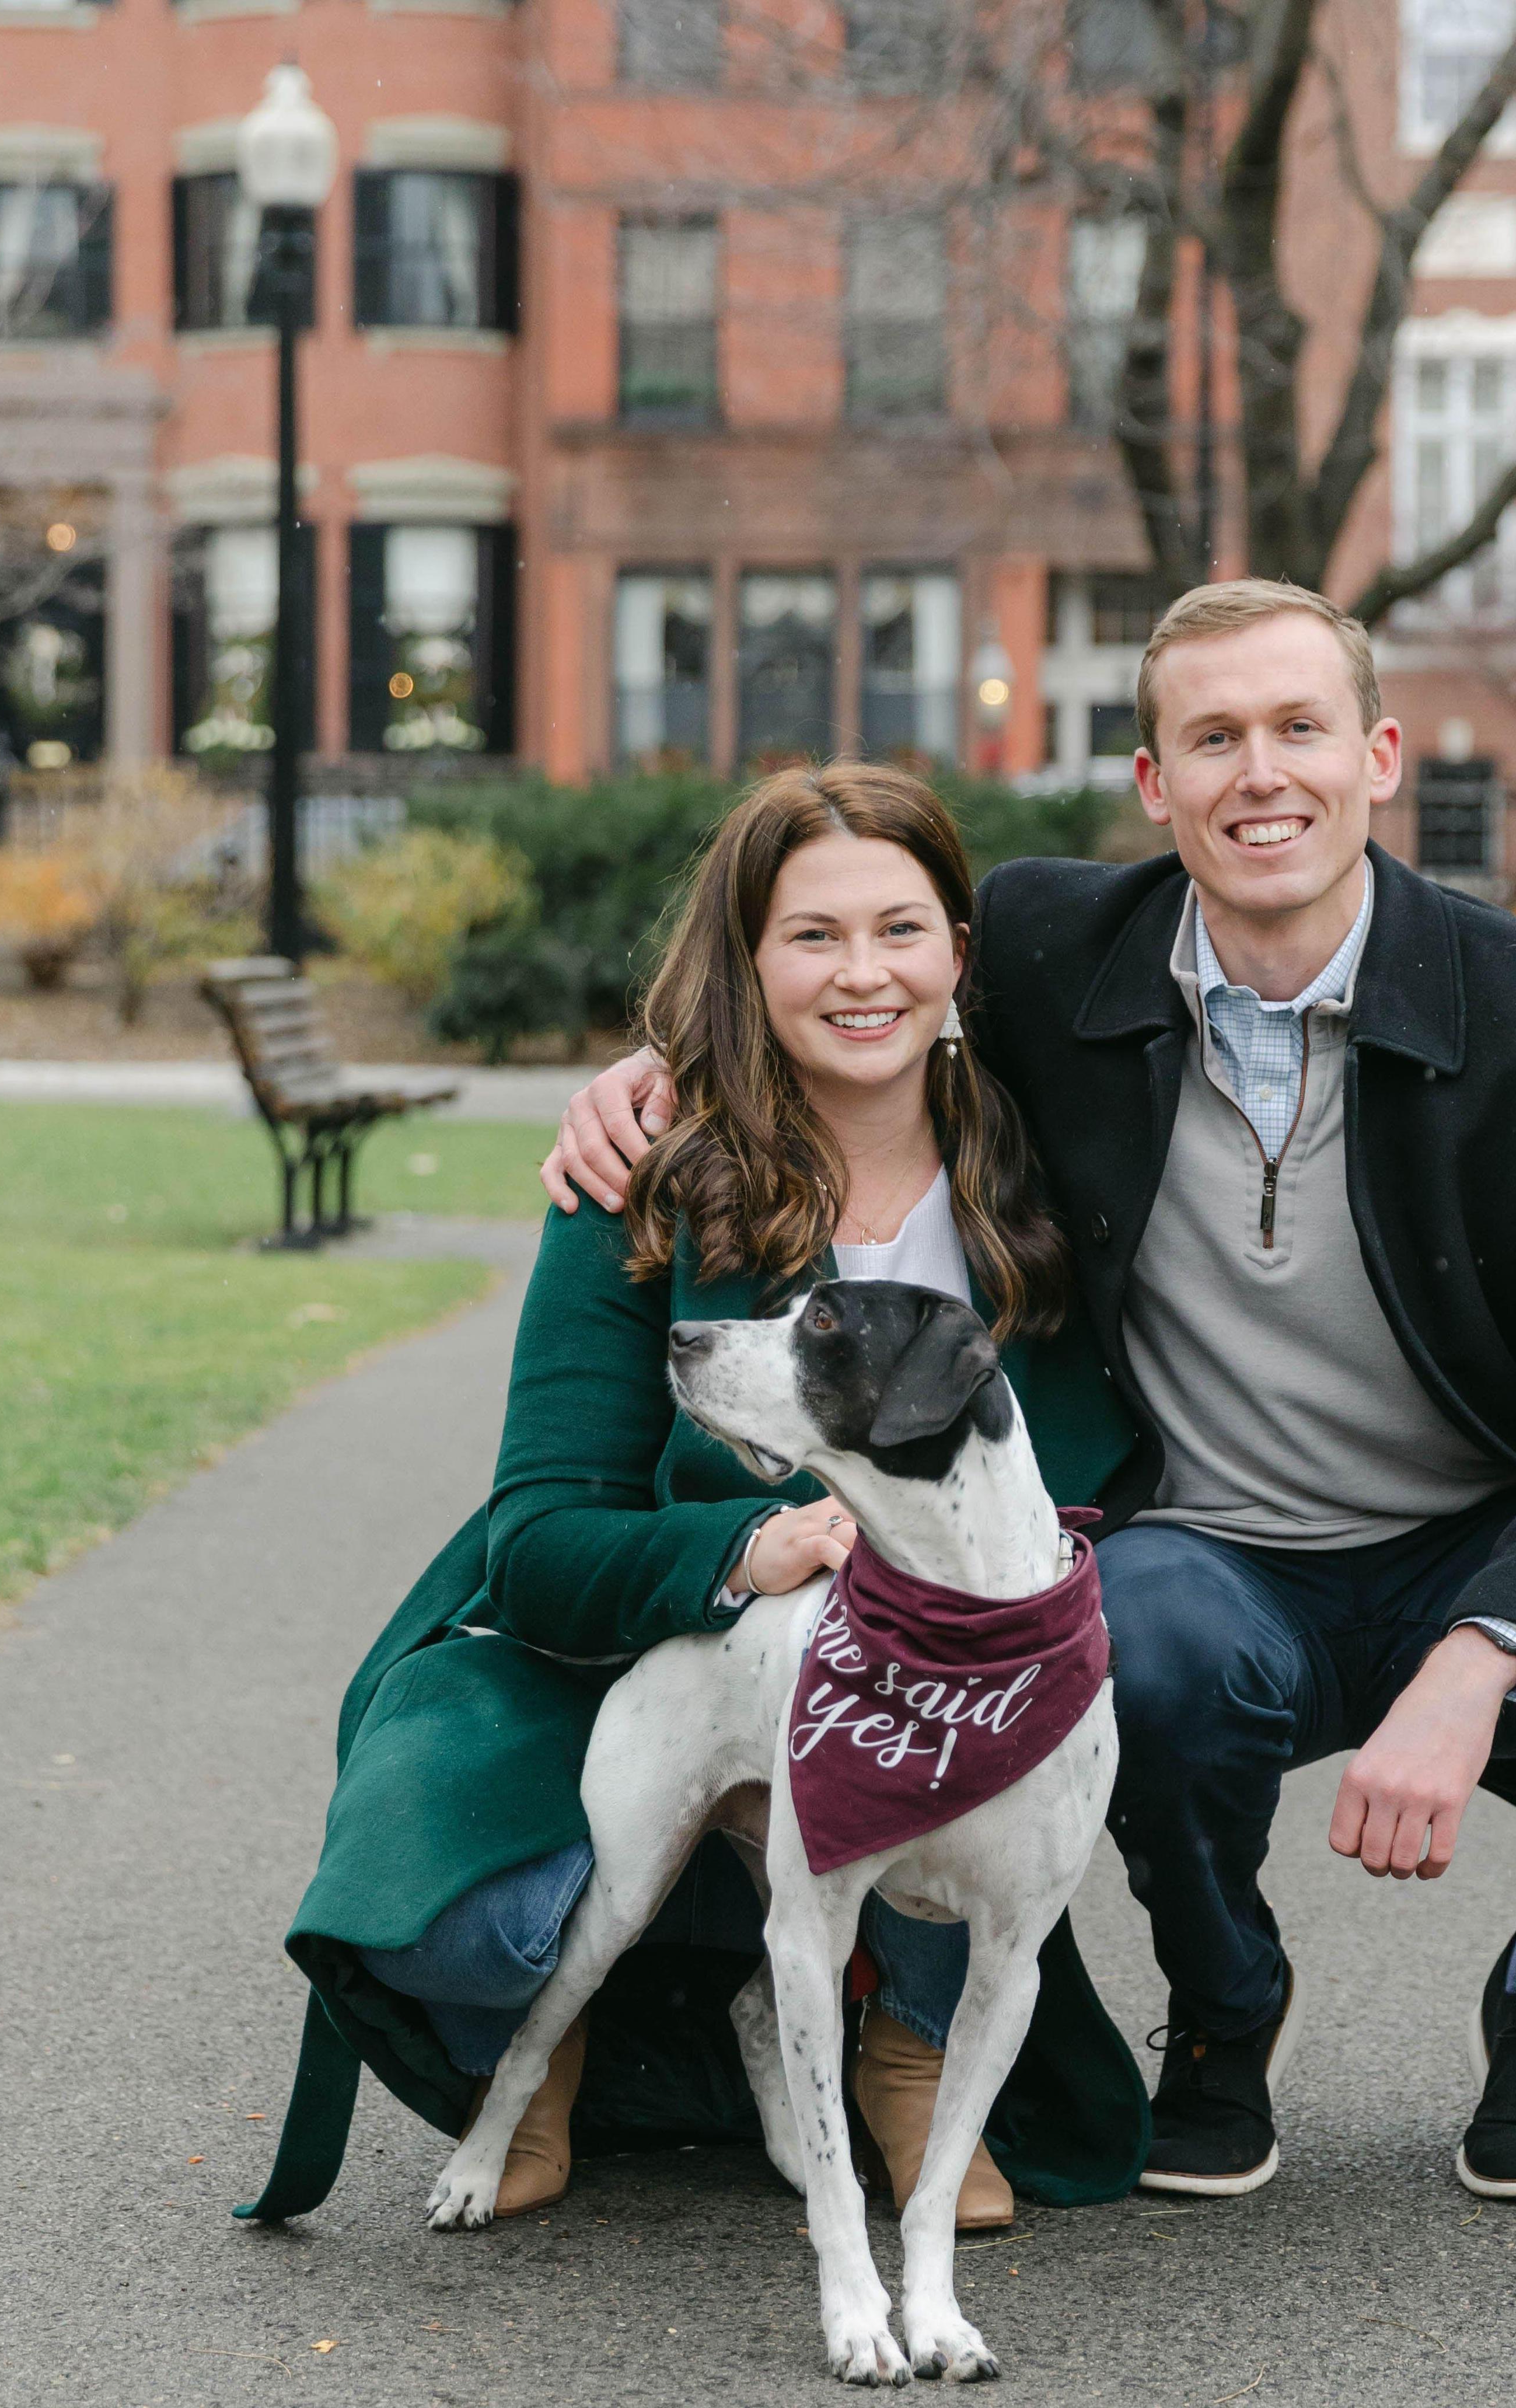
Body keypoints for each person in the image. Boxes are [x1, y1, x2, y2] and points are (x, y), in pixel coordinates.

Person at [548, 579, 1516, 2206]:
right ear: (1151, 782)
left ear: (1378, 755)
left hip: (1469, 1546)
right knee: (1124, 1627)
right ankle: (1224, 2003)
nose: (1255, 773)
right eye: (1209, 737)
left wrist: (1481, 1655)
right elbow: (850, 980)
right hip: (1206, 1552)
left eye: (1296, 728)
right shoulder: (1060, 951)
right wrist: (662, 1064)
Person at [239, 764, 1152, 2236]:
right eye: (809, 935)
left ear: (961, 953)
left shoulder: (1050, 1167)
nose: (863, 973)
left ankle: (906, 2030)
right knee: (451, 1875)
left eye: (900, 929)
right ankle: (535, 2043)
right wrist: (753, 1542)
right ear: (743, 961)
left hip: (938, 1684)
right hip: (637, 1651)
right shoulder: (643, 1180)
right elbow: (538, 1537)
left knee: (1046, 1662)